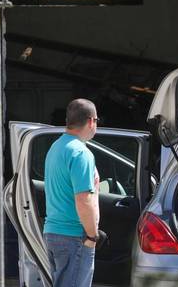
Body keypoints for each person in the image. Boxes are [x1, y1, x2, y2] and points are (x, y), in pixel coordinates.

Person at [44, 98, 100, 287]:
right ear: (91, 121)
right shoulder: (80, 153)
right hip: (74, 236)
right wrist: (92, 236)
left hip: (53, 233)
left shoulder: (56, 147)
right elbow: (84, 200)